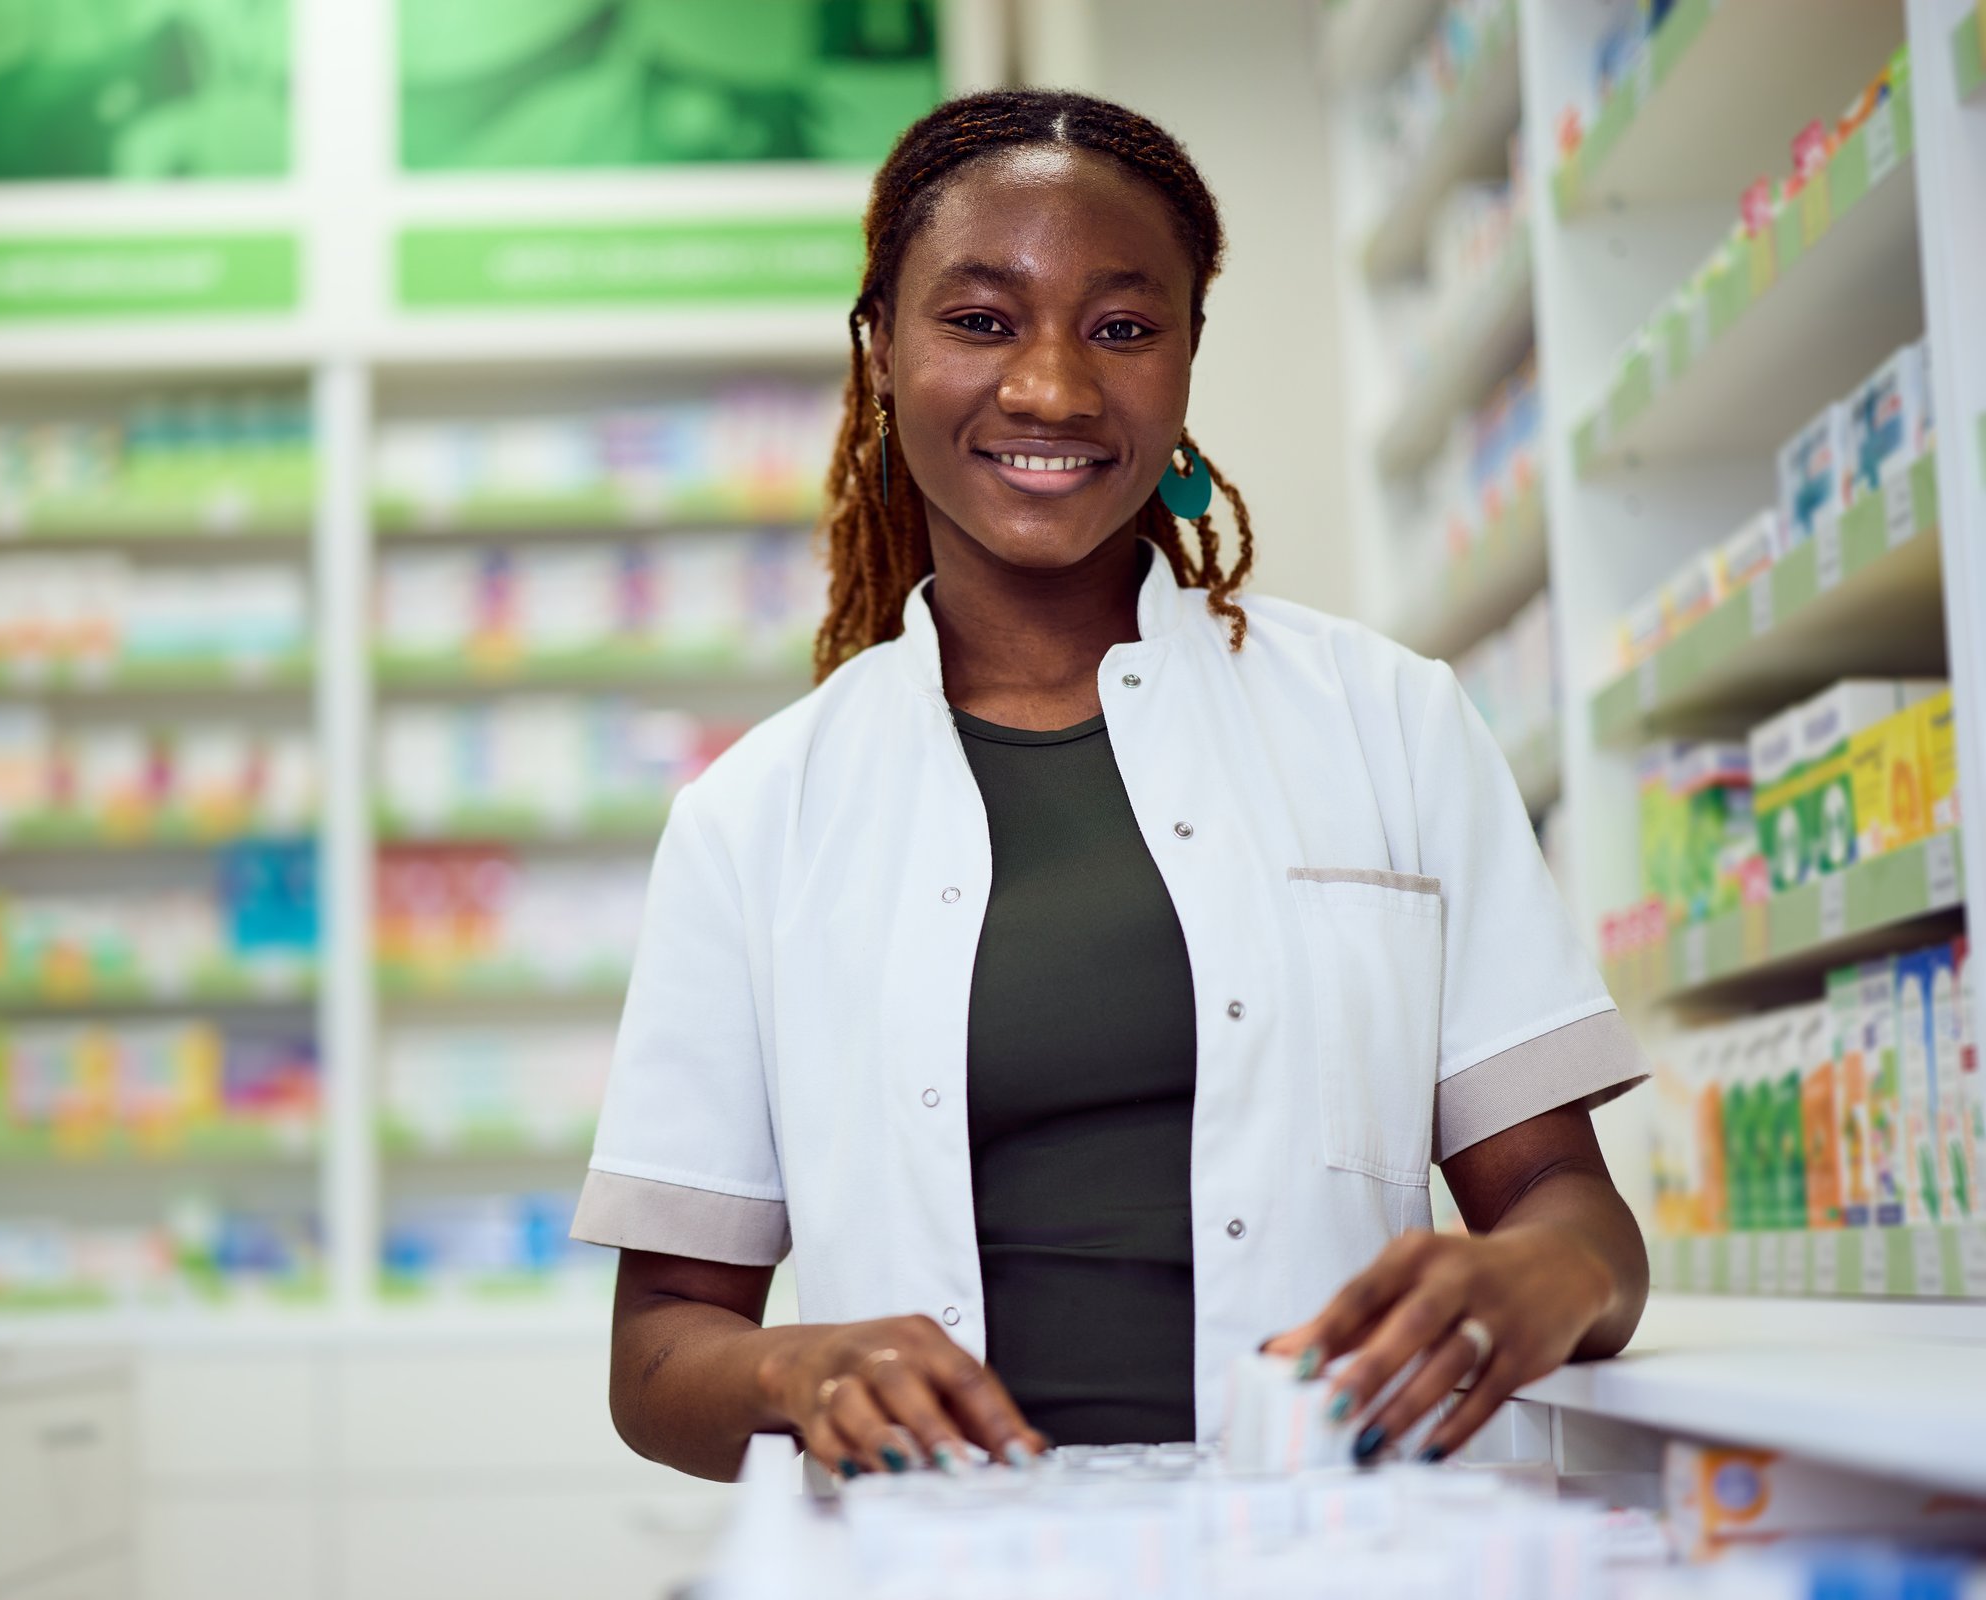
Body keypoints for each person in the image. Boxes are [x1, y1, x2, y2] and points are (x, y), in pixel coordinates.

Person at [571, 88, 1648, 1482]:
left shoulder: (1390, 722)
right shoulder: (754, 819)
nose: (1054, 389)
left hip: (1334, 1547)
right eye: (979, 319)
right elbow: (661, 1350)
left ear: (1189, 356)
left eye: (1124, 327)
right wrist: (801, 1365)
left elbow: (1574, 1214)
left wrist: (1534, 1286)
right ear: (881, 352)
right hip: (938, 1566)